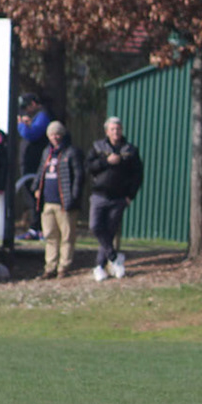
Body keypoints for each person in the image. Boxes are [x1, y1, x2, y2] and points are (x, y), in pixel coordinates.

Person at [86, 116, 143, 281]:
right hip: (99, 195)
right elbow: (89, 167)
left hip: (119, 198)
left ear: (122, 130)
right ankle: (114, 257)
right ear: (107, 131)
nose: (116, 132)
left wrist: (130, 196)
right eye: (112, 129)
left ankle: (99, 266)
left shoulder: (130, 150)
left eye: (118, 129)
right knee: (95, 226)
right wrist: (106, 161)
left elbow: (137, 175)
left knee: (110, 232)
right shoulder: (98, 147)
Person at [34, 121, 82, 278]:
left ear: (62, 134)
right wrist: (36, 188)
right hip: (48, 201)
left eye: (57, 134)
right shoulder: (46, 152)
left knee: (67, 236)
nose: (55, 137)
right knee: (50, 235)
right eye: (52, 134)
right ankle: (50, 267)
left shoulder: (71, 152)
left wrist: (73, 197)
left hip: (64, 202)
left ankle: (64, 267)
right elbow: (41, 171)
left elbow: (79, 176)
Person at [14, 93, 50, 236]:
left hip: (34, 164)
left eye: (26, 107)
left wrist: (21, 124)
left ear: (33, 104)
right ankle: (34, 227)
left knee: (35, 195)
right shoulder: (36, 117)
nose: (25, 111)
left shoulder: (43, 116)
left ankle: (37, 228)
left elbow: (32, 134)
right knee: (29, 195)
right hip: (27, 163)